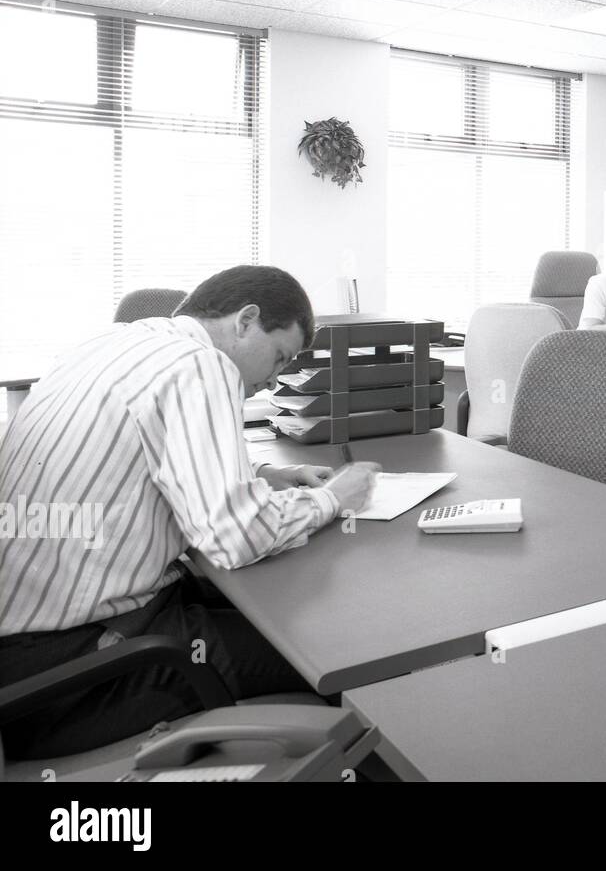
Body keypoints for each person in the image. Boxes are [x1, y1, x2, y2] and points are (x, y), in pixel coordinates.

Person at [0, 265, 380, 759]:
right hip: (78, 678)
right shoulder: (201, 364)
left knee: (273, 613)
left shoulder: (110, 344)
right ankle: (358, 760)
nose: (271, 381)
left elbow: (142, 453)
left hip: (29, 657)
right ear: (245, 320)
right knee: (324, 644)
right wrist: (335, 498)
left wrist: (259, 475)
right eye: (278, 357)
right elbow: (235, 537)